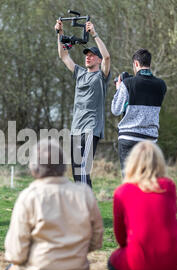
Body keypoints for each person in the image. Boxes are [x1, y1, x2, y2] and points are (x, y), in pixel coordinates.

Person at [4, 139, 104, 270]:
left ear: (33, 168)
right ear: (64, 166)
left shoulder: (29, 197)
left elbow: (16, 252)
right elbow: (97, 239)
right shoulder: (85, 193)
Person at [108, 141, 177, 270]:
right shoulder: (168, 186)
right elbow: (169, 218)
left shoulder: (122, 192)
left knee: (112, 263)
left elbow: (120, 236)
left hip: (138, 262)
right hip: (176, 263)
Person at [54, 19, 111, 188]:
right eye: (87, 55)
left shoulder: (101, 76)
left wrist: (94, 34)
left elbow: (107, 56)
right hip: (76, 128)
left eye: (92, 55)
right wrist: (60, 34)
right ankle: (86, 205)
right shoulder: (79, 73)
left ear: (98, 60)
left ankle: (85, 208)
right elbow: (64, 55)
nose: (88, 57)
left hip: (91, 128)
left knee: (83, 169)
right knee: (76, 170)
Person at [111, 49, 166, 175]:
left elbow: (115, 109)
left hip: (129, 138)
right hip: (150, 140)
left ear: (136, 63)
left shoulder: (127, 84)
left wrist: (119, 90)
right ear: (149, 64)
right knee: (147, 180)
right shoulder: (161, 85)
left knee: (129, 181)